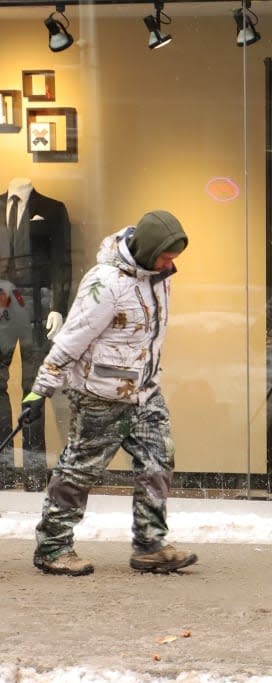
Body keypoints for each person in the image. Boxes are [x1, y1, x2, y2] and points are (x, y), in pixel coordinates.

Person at [19, 210, 196, 577]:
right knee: (80, 470)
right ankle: (53, 547)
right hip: (101, 394)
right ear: (147, 249)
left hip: (145, 393)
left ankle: (150, 545)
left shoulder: (160, 277)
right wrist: (41, 390)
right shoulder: (106, 283)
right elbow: (72, 337)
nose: (170, 263)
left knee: (158, 461)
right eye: (165, 255)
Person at [0, 176, 72, 491]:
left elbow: (62, 260)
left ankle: (33, 471)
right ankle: (2, 469)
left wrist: (58, 306)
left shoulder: (52, 210)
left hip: (36, 303)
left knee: (33, 384)